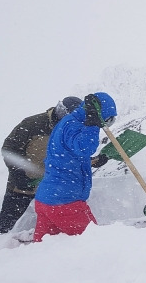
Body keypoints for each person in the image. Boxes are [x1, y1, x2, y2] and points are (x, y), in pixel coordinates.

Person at [0, 96, 108, 235]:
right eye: (62, 112)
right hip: (23, 185)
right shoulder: (33, 124)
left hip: (52, 186)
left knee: (53, 225)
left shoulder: (70, 130)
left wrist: (95, 160)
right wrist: (19, 173)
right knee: (6, 220)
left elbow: (71, 159)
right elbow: (9, 149)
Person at [33, 92, 117, 242]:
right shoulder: (74, 125)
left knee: (43, 250)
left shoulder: (68, 122)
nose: (106, 125)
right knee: (94, 242)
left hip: (47, 200)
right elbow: (85, 148)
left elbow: (71, 157)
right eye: (108, 120)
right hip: (65, 203)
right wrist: (92, 124)